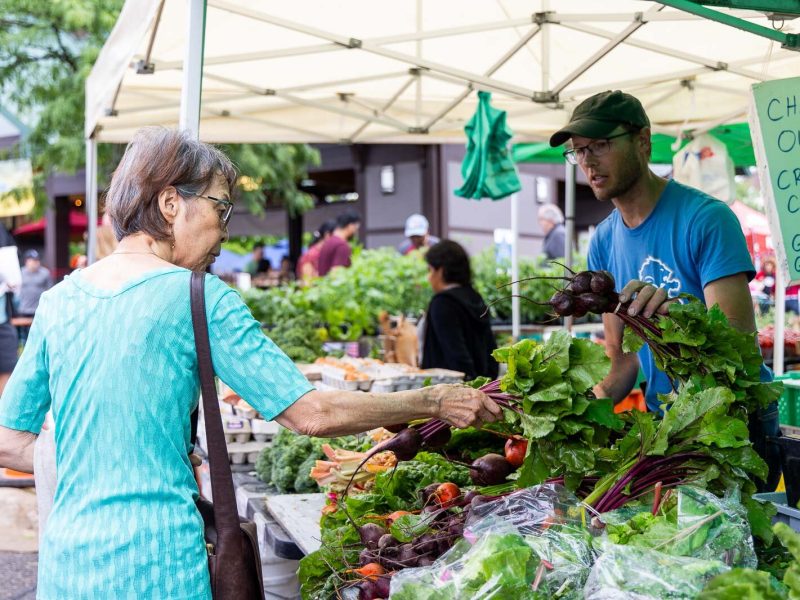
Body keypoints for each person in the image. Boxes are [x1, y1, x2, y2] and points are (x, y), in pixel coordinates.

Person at [0, 127, 500, 600]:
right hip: (159, 565)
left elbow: (10, 439)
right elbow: (311, 413)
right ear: (171, 203)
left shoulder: (59, 299)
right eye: (221, 206)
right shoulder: (199, 296)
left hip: (68, 567)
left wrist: (111, 456)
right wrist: (432, 399)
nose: (223, 231)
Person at [549, 89, 780, 491]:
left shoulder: (707, 219)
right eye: (578, 151)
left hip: (735, 420)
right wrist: (575, 410)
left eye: (600, 145)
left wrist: (678, 315)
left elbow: (738, 350)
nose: (587, 160)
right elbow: (621, 362)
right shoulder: (603, 241)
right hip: (668, 421)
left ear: (643, 141)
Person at [420, 240, 499, 380]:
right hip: (481, 386)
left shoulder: (443, 303)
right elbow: (492, 351)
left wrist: (468, 384)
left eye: (430, 270)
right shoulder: (475, 297)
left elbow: (456, 354)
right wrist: (484, 386)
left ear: (441, 271)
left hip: (449, 393)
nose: (428, 277)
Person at [15, 249, 53, 346]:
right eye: (33, 260)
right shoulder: (20, 273)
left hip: (39, 310)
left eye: (37, 260)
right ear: (27, 261)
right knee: (24, 338)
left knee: (39, 335)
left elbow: (50, 291)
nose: (35, 263)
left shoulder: (45, 273)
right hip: (23, 310)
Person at [318, 209, 361, 276]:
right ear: (350, 226)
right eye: (356, 227)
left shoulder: (328, 242)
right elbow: (336, 274)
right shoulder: (341, 245)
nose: (356, 230)